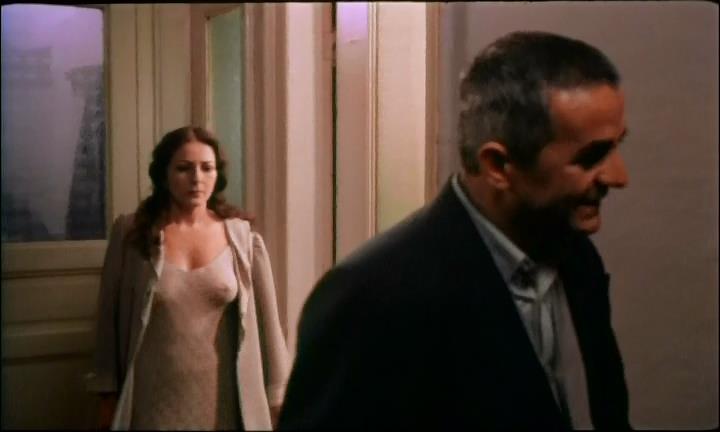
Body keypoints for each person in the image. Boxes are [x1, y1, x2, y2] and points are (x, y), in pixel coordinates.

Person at [279, 31, 632, 429]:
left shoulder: (577, 259)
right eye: (591, 157)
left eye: (617, 146)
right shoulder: (369, 300)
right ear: (498, 166)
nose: (620, 177)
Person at [85, 126, 288, 430]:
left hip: (223, 401)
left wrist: (278, 400)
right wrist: (106, 396)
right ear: (164, 174)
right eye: (184, 168)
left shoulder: (242, 240)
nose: (197, 178)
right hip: (152, 399)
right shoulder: (132, 236)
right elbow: (107, 324)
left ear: (217, 174)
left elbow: (268, 327)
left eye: (207, 168)